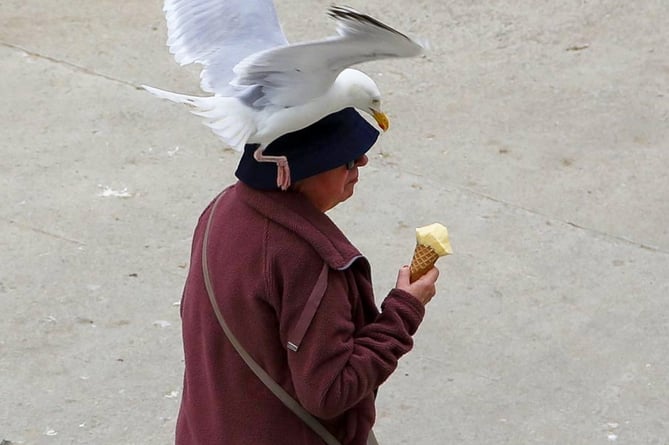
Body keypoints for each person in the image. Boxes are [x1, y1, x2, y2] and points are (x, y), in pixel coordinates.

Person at [175, 108, 440, 445]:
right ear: (300, 168)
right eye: (345, 158)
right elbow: (330, 391)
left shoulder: (221, 210)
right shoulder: (308, 260)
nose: (361, 162)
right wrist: (403, 312)